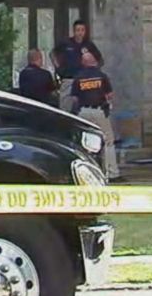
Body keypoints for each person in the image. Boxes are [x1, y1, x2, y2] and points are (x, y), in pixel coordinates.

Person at [72, 47, 123, 182]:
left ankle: (88, 174)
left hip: (83, 112)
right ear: (94, 61)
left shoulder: (78, 78)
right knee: (108, 141)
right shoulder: (102, 76)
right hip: (99, 111)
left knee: (85, 143)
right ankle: (112, 173)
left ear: (83, 62)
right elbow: (109, 95)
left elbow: (75, 99)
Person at [52, 19, 103, 112]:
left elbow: (99, 60)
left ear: (85, 31)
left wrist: (93, 71)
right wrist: (58, 67)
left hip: (84, 81)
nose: (80, 33)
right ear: (74, 31)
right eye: (78, 30)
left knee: (84, 110)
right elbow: (53, 53)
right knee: (65, 109)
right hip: (69, 79)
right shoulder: (66, 43)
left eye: (82, 30)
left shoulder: (89, 45)